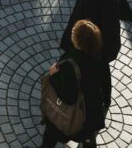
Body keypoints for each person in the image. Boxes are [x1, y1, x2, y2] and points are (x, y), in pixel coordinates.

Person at [59, 0, 132, 104]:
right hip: (109, 38)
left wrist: (68, 41)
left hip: (91, 40)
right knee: (103, 67)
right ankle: (106, 97)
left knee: (87, 71)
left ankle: (88, 101)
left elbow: (77, 18)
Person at [39, 19, 111, 148]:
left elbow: (68, 96)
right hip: (90, 114)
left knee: (50, 135)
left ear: (78, 40)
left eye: (73, 32)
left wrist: (53, 75)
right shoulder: (101, 59)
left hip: (71, 117)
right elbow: (106, 84)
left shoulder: (69, 63)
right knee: (88, 140)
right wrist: (105, 102)